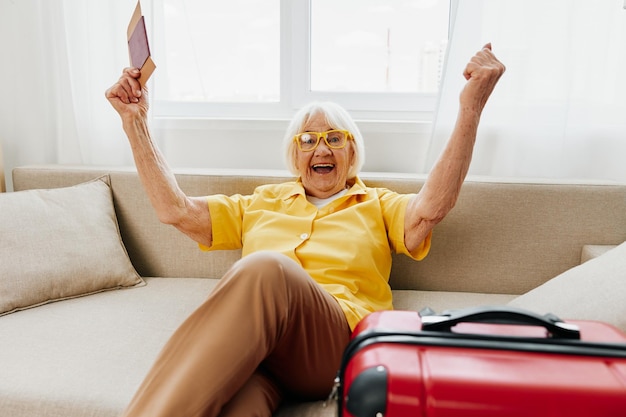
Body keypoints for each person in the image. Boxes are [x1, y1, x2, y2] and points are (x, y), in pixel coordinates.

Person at [105, 43, 505, 417]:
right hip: (264, 354)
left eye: (335, 138)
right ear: (295, 157)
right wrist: (135, 122)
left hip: (332, 346)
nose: (322, 149)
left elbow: (431, 209)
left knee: (265, 269)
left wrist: (469, 109)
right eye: (309, 140)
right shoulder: (262, 201)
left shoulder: (378, 204)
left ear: (352, 153)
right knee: (234, 405)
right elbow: (175, 211)